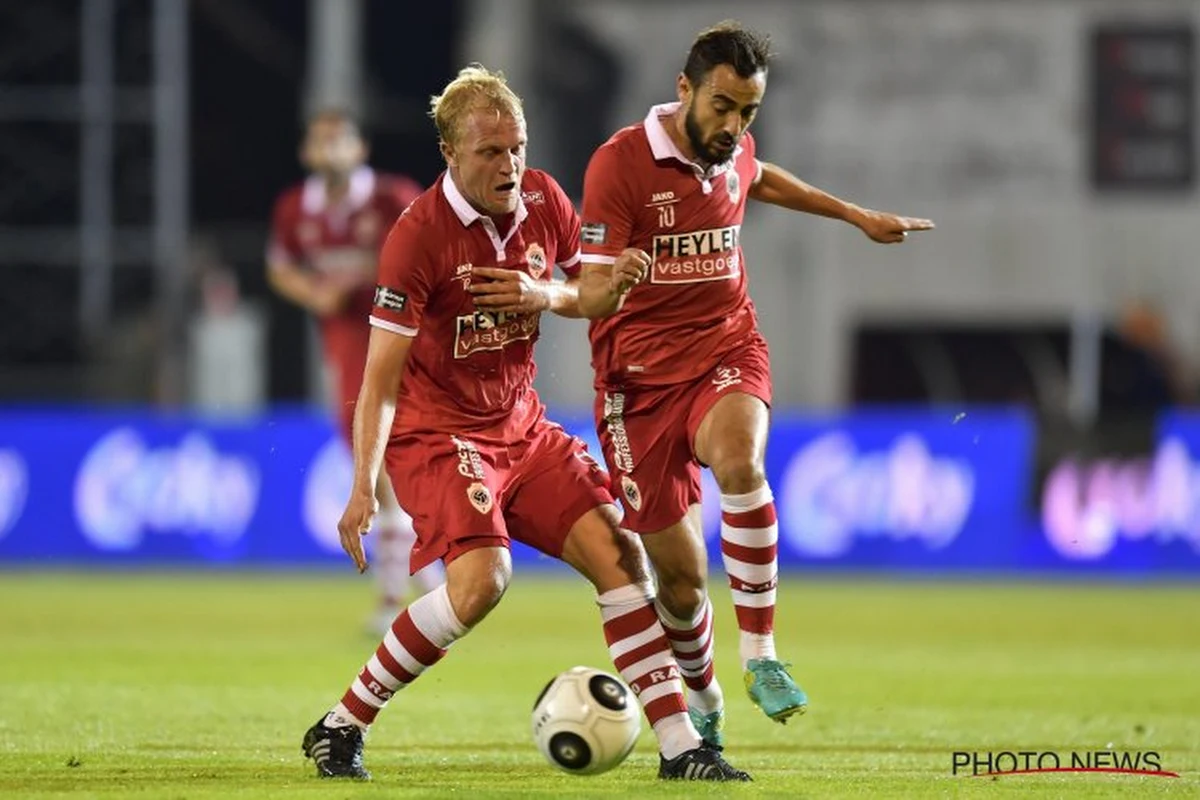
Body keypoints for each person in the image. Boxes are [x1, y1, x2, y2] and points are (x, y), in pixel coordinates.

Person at [299, 65, 751, 783]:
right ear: (451, 154)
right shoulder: (418, 238)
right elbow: (379, 382)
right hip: (441, 433)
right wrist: (362, 487)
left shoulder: (545, 200)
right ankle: (343, 723)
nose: (509, 165)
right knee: (483, 582)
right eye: (490, 152)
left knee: (623, 558)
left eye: (517, 147)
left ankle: (680, 749)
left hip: (522, 426)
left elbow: (588, 294)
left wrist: (553, 290)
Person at [577, 21, 935, 748]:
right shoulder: (620, 165)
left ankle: (762, 656)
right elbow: (584, 293)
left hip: (724, 349)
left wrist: (852, 215)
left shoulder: (732, 149)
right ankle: (705, 694)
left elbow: (758, 176)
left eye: (748, 112)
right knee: (678, 586)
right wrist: (617, 280)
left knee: (740, 462)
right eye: (722, 107)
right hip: (636, 387)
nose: (735, 126)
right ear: (684, 90)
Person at [267, 109, 443, 633]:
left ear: (359, 148)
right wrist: (317, 293)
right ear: (306, 152)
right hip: (346, 346)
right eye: (320, 141)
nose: (329, 150)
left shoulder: (390, 197)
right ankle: (424, 575)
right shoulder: (296, 207)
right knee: (372, 455)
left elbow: (429, 250)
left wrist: (368, 277)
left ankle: (395, 594)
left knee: (391, 454)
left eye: (339, 140)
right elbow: (281, 268)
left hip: (403, 337)